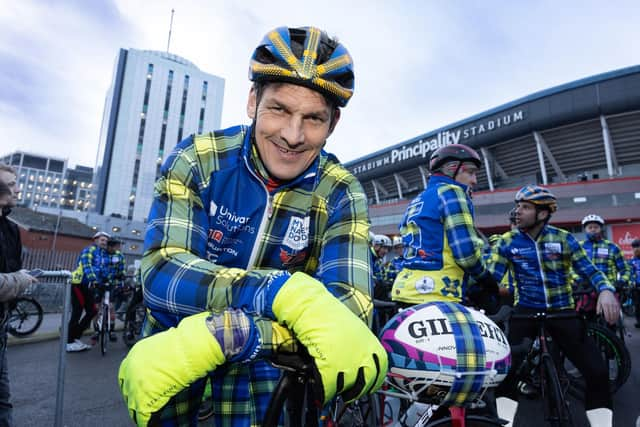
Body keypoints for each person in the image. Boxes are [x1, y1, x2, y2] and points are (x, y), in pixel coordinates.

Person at [118, 26, 387, 426]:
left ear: (332, 125)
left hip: (269, 375)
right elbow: (162, 273)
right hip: (175, 358)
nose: (292, 136)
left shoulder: (342, 191)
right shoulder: (198, 158)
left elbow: (348, 313)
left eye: (313, 118)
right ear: (252, 101)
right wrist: (282, 294)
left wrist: (239, 333)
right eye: (279, 109)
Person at [487, 185, 620, 427]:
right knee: (506, 373)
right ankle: (504, 424)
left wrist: (606, 290)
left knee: (597, 372)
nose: (518, 211)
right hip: (525, 313)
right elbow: (492, 278)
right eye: (518, 206)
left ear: (543, 213)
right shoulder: (507, 241)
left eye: (525, 207)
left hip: (562, 313)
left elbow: (591, 271)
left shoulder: (564, 238)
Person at [390, 144, 498, 308]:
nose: (474, 180)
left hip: (405, 290)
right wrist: (486, 280)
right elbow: (466, 253)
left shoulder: (419, 198)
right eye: (470, 172)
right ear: (451, 169)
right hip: (440, 292)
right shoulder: (452, 192)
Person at [0, 167, 39, 426]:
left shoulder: (11, 229)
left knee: (3, 399)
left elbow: (13, 267)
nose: (18, 189)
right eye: (12, 184)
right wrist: (21, 280)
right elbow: (16, 276)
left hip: (1, 324)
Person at [67, 231, 110, 352]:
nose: (104, 242)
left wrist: (107, 280)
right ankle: (69, 342)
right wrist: (94, 279)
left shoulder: (102, 254)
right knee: (77, 312)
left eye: (106, 241)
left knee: (92, 311)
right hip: (78, 283)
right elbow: (87, 266)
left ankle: (75, 337)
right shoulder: (89, 250)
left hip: (88, 285)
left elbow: (102, 270)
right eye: (102, 240)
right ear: (95, 240)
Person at [105, 238, 126, 341]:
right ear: (110, 246)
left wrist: (121, 277)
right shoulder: (102, 254)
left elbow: (122, 269)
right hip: (101, 282)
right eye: (116, 246)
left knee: (111, 307)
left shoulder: (119, 256)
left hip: (113, 284)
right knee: (98, 307)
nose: (118, 248)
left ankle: (111, 331)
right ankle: (96, 330)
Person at [371, 234, 392, 299]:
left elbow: (382, 276)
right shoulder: (368, 257)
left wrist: (388, 282)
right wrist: (381, 282)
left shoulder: (378, 260)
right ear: (376, 246)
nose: (386, 251)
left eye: (388, 249)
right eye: (384, 248)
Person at [630, 239, 640, 328]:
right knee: (637, 305)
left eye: (638, 247)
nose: (636, 249)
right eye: (634, 247)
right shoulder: (632, 260)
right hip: (636, 287)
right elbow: (630, 273)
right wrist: (632, 281)